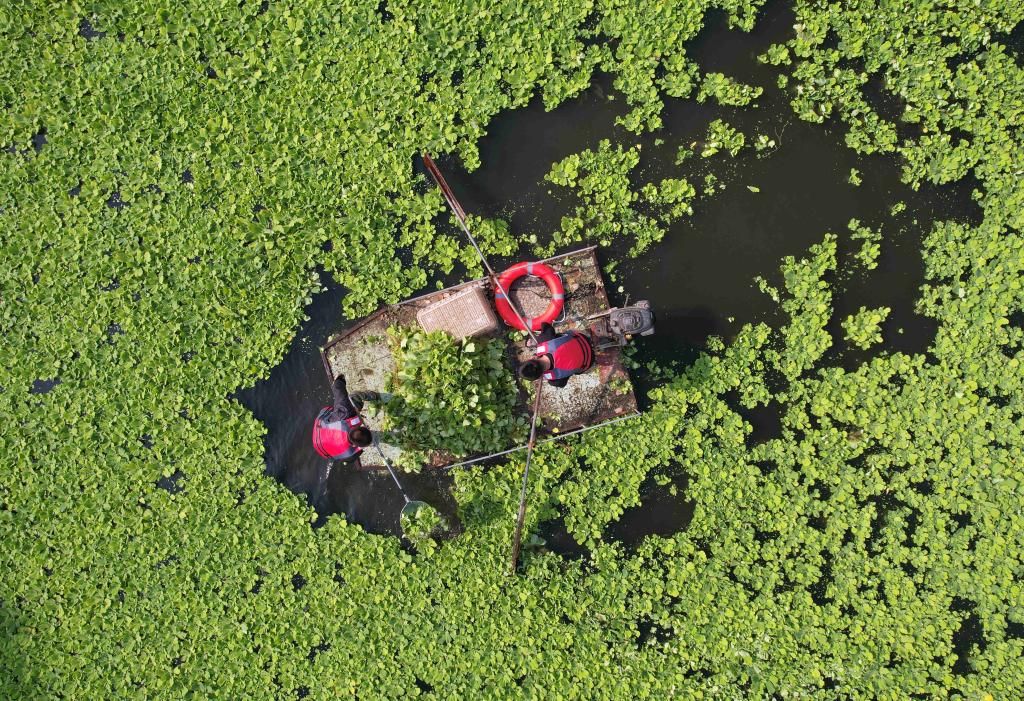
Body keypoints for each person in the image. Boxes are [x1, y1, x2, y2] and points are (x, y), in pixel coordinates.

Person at [311, 374, 378, 461]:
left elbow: (338, 387)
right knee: (355, 399)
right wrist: (356, 414)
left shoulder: (352, 455)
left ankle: (372, 397)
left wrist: (340, 380)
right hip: (319, 438)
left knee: (344, 407)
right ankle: (373, 396)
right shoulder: (345, 413)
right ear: (354, 445)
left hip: (320, 432)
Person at [518, 322, 594, 388]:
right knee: (558, 337)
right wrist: (538, 340)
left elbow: (562, 384)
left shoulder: (553, 380)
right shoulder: (544, 341)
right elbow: (546, 325)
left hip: (590, 360)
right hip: (582, 340)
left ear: (540, 376)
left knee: (572, 372)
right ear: (533, 357)